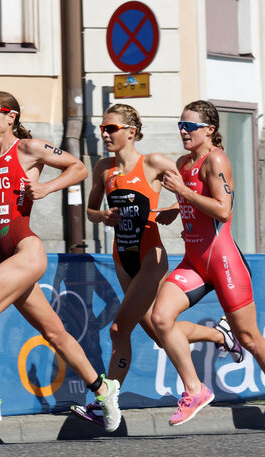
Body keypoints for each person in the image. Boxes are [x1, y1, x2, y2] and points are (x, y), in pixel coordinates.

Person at [0, 90, 121, 432]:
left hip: (25, 251)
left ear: (10, 116)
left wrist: (47, 188)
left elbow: (78, 168)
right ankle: (104, 390)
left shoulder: (29, 149)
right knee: (55, 332)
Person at [71, 104, 242, 426]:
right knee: (162, 335)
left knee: (120, 328)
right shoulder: (103, 170)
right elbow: (92, 209)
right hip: (122, 257)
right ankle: (221, 336)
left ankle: (107, 401)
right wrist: (102, 216)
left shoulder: (155, 163)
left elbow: (191, 189)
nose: (105, 133)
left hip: (152, 257)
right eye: (102, 129)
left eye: (112, 128)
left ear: (131, 132)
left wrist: (176, 209)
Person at [151, 99, 265, 426]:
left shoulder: (216, 160)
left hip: (222, 259)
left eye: (190, 126)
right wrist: (175, 209)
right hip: (194, 261)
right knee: (161, 318)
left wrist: (183, 195)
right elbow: (195, 204)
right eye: (180, 126)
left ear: (209, 130)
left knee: (250, 339)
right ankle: (195, 390)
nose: (183, 132)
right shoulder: (183, 163)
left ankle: (227, 338)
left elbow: (223, 210)